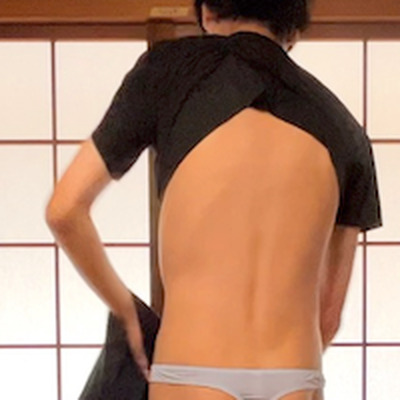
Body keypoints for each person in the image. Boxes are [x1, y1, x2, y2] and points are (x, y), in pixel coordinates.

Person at [46, 0, 382, 399]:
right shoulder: (345, 129)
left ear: (207, 11)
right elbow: (328, 317)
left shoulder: (170, 71)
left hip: (193, 372)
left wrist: (126, 311)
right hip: (295, 377)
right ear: (293, 30)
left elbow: (64, 210)